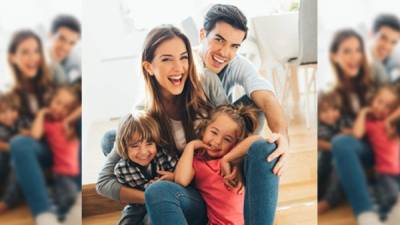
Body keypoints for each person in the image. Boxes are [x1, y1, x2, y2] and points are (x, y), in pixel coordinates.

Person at [97, 25, 281, 225]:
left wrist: (236, 159)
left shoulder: (206, 82)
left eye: (184, 57)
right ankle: (142, 206)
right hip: (184, 186)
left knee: (264, 145)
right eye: (167, 59)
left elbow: (231, 126)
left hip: (216, 181)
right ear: (148, 67)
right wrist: (150, 195)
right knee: (115, 141)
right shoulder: (144, 114)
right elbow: (104, 182)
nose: (179, 68)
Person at [7, 30, 78, 225]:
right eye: (25, 52)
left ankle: (76, 203)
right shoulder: (13, 94)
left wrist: (67, 119)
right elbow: (26, 134)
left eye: (36, 51)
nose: (32, 58)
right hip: (41, 146)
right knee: (20, 143)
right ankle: (43, 215)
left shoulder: (54, 76)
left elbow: (76, 103)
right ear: (12, 57)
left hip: (65, 141)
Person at [175, 104, 275, 225]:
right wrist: (190, 146)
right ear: (204, 129)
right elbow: (181, 180)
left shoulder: (235, 162)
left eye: (227, 139)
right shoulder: (197, 162)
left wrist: (227, 159)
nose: (217, 142)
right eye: (214, 132)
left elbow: (258, 140)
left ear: (235, 144)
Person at [113, 112, 178, 225]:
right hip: (138, 204)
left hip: (163, 201)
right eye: (134, 146)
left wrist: (173, 178)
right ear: (124, 146)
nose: (143, 152)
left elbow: (182, 181)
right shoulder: (121, 169)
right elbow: (127, 196)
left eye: (149, 143)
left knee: (151, 221)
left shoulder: (166, 156)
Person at [30, 85, 80, 220]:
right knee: (69, 197)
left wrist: (69, 119)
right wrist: (42, 113)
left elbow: (83, 108)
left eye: (66, 107)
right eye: (57, 103)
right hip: (62, 172)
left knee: (70, 197)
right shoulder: (48, 124)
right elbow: (35, 135)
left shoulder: (68, 123)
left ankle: (55, 201)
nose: (60, 109)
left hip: (76, 171)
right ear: (51, 100)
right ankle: (59, 213)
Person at [352, 84, 400, 222]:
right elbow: (357, 133)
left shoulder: (391, 122)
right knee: (391, 199)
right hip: (385, 172)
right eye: (379, 102)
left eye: (387, 106)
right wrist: (364, 112)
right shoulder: (370, 122)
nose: (381, 108)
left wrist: (390, 119)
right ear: (373, 100)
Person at [317, 91, 350, 214]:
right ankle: (320, 194)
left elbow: (353, 133)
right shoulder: (320, 127)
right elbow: (319, 143)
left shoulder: (344, 121)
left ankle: (329, 200)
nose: (330, 115)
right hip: (325, 161)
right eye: (325, 112)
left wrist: (347, 133)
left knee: (339, 161)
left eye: (334, 110)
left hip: (338, 162)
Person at [0, 92, 29, 213]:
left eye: (12, 110)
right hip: (4, 159)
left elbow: (28, 136)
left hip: (17, 160)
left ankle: (7, 200)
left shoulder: (22, 121)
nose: (8, 116)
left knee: (19, 158)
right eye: (3, 112)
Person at [48, 14, 81, 84]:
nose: (66, 47)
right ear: (49, 35)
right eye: (61, 39)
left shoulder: (75, 64)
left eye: (72, 43)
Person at [369, 14, 400, 84]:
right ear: (370, 34)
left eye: (393, 42)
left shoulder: (393, 62)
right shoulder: (358, 66)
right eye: (383, 38)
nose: (387, 46)